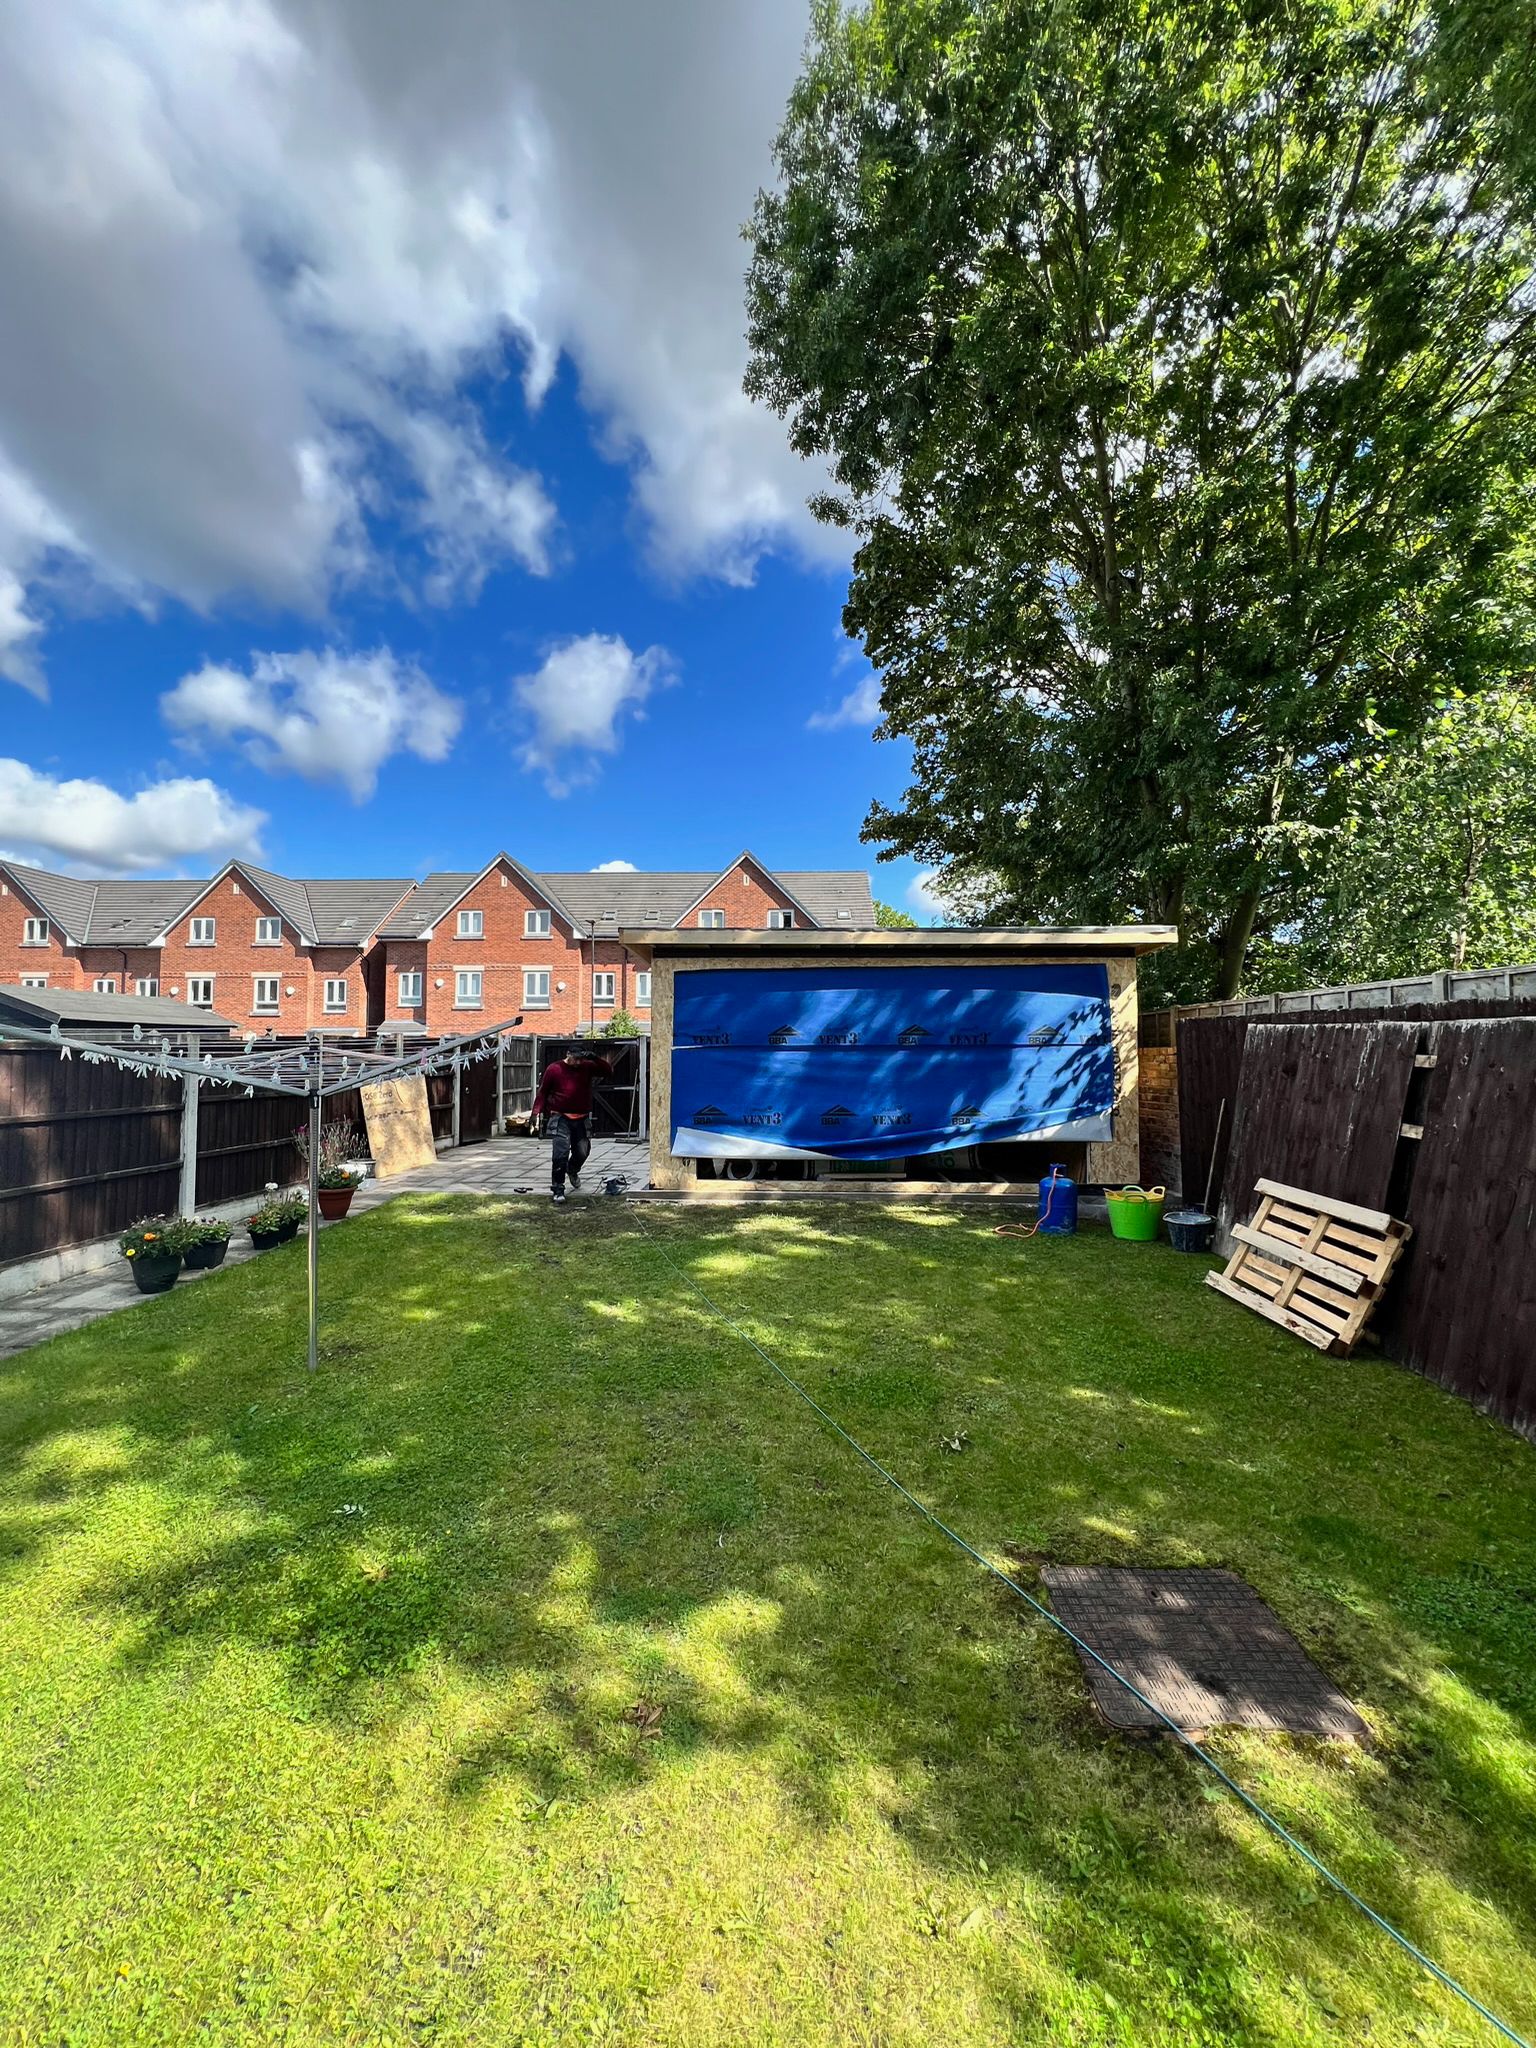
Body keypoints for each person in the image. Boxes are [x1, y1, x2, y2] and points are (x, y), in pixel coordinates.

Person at [531, 1045, 612, 1202]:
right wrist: (535, 1112)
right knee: (560, 1153)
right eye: (575, 1059)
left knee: (583, 1151)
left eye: (581, 1059)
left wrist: (595, 1058)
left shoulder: (586, 1066)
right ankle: (558, 1189)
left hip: (581, 1118)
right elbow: (543, 1092)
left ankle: (572, 1169)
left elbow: (608, 1071)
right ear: (568, 1055)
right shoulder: (554, 1069)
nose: (578, 1062)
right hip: (560, 1117)